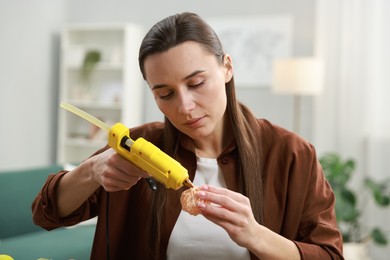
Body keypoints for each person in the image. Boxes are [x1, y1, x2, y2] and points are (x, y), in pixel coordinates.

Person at [32, 12, 343, 259]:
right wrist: (92, 170)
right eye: (165, 94)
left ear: (227, 68)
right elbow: (46, 213)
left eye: (196, 84)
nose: (184, 107)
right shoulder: (137, 147)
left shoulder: (291, 153)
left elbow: (329, 255)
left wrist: (256, 235)